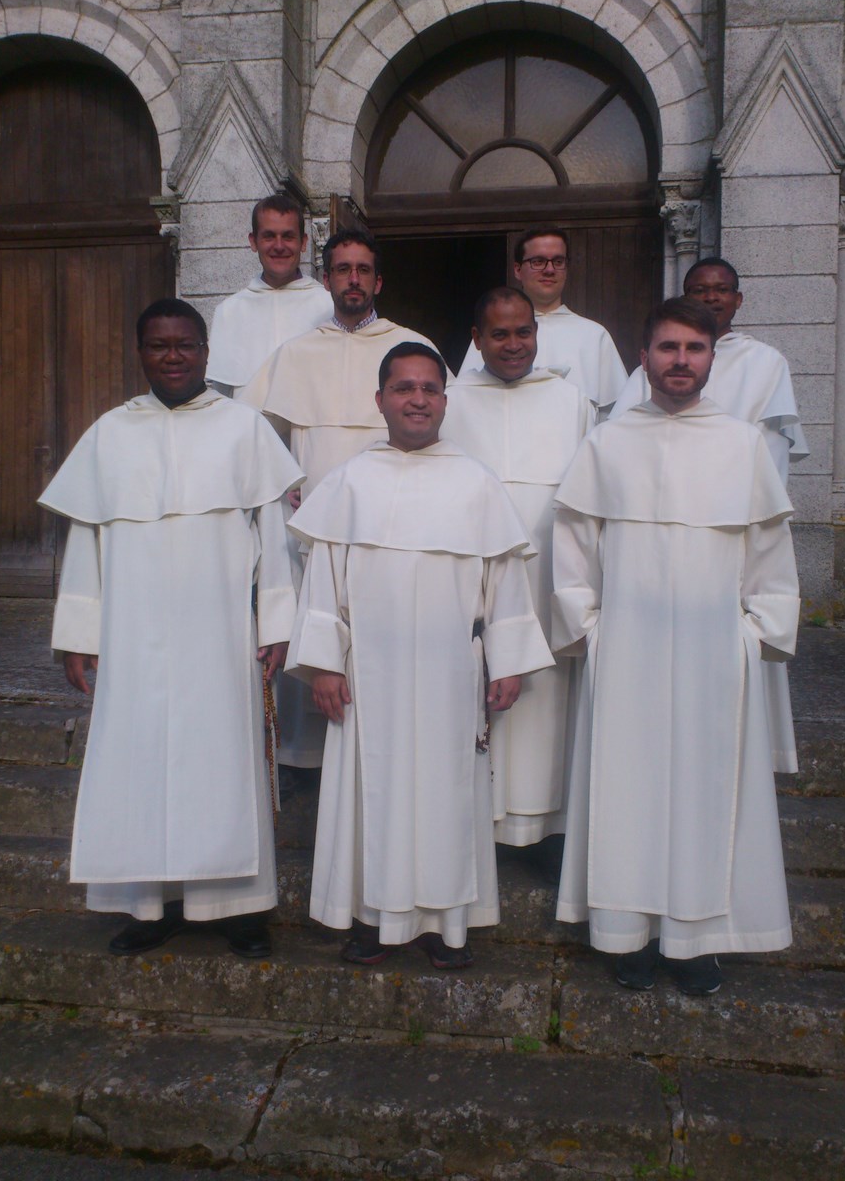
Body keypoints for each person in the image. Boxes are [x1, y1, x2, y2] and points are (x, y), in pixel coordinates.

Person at [40, 299, 304, 959]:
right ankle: (149, 905)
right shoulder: (110, 433)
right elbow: (86, 544)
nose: (174, 355)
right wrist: (79, 632)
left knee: (227, 764)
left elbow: (272, 537)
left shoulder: (243, 429)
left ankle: (239, 909)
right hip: (135, 639)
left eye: (185, 344)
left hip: (220, 635)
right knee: (140, 766)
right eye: (159, 345)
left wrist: (276, 622)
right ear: (141, 353)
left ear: (206, 352)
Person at [553, 298, 800, 996]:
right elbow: (573, 547)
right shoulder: (608, 442)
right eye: (667, 348)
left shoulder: (742, 444)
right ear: (645, 356)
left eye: (694, 348)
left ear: (711, 358)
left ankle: (693, 941)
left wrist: (752, 637)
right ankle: (626, 933)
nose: (680, 361)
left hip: (714, 655)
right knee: (626, 788)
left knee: (704, 790)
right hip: (626, 648)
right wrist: (593, 631)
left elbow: (769, 556)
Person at [285, 342, 554, 968]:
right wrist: (325, 663)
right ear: (380, 399)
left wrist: (508, 659)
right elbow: (323, 581)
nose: (417, 399)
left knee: (446, 793)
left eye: (429, 388)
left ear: (444, 400)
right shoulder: (350, 481)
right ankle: (370, 919)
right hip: (365, 677)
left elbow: (505, 585)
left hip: (448, 677)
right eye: (404, 388)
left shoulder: (475, 483)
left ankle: (441, 924)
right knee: (366, 791)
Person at [239, 229, 443, 770]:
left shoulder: (411, 349)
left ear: (379, 279)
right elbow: (260, 435)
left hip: (392, 526)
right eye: (343, 269)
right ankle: (307, 759)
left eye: (364, 269)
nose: (354, 279)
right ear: (325, 278)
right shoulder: (296, 354)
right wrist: (288, 487)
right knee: (317, 630)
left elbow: (436, 431)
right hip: (316, 530)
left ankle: (383, 750)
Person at [610, 256, 808, 774]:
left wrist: (757, 625)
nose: (711, 297)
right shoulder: (618, 428)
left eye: (721, 290)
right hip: (642, 581)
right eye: (700, 288)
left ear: (737, 300)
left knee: (721, 747)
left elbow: (771, 465)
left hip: (723, 554)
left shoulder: (764, 365)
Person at [442, 287, 588, 847]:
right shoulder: (452, 398)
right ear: (476, 340)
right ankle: (472, 824)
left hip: (547, 571)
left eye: (523, 331)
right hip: (471, 573)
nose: (513, 344)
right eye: (498, 334)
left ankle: (543, 827)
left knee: (544, 699)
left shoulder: (570, 400)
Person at [459, 226, 627, 425]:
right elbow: (467, 404)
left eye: (558, 261)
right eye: (538, 261)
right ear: (517, 270)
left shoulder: (594, 336)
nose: (549, 270)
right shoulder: (492, 336)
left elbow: (613, 420)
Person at [205, 195, 332, 395]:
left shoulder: (328, 306)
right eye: (269, 236)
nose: (279, 246)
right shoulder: (229, 312)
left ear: (303, 242)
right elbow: (222, 397)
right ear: (253, 241)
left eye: (288, 236)